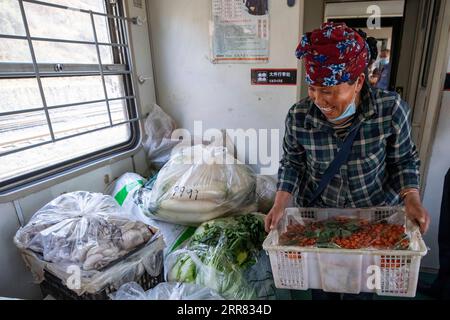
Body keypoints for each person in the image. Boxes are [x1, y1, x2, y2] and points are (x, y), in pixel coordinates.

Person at [264, 22, 430, 300]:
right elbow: (292, 162)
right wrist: (280, 203)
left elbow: (403, 160)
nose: (319, 100)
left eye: (328, 91)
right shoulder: (299, 116)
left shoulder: (389, 111)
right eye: (313, 89)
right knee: (321, 287)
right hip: (318, 221)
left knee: (360, 290)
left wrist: (411, 199)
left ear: (359, 83)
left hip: (370, 220)